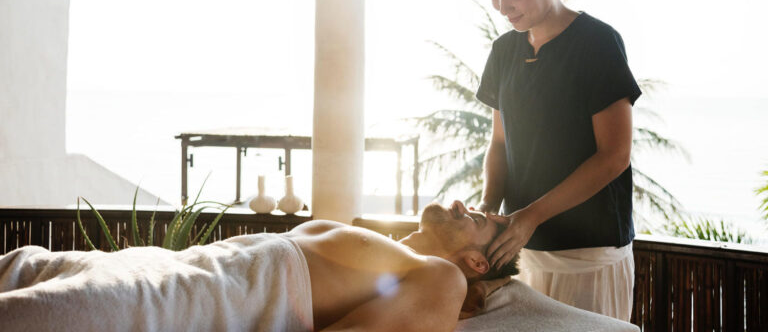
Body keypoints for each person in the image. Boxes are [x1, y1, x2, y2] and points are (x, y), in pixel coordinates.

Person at [0, 200, 517, 332]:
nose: (463, 205)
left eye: (480, 220)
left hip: (173, 304)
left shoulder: (443, 279)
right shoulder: (390, 253)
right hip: (142, 268)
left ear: (478, 261)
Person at [474, 0, 641, 321]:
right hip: (522, 252)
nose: (503, 7)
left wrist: (530, 217)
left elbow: (614, 155)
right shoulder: (503, 51)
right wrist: (487, 210)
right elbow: (500, 143)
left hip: (589, 255)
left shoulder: (597, 43)